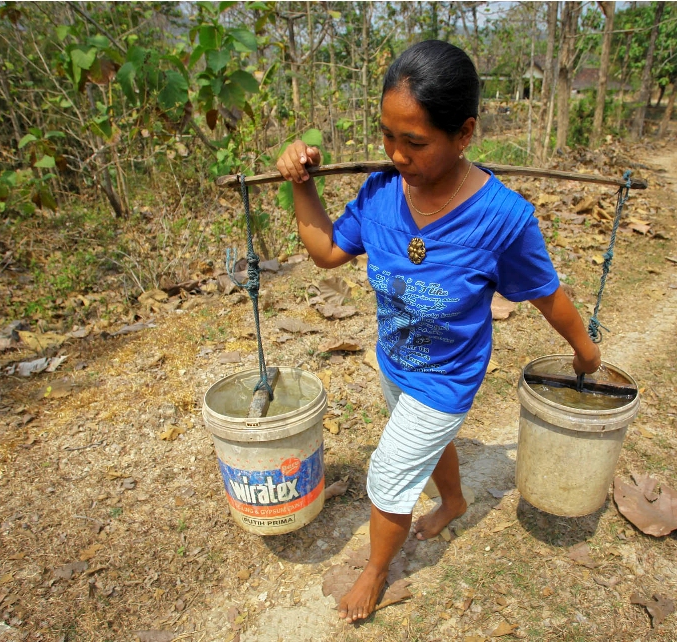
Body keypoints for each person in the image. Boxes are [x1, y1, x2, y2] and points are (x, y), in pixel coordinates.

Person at [275, 40, 601, 623]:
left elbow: (547, 294)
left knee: (390, 471)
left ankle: (375, 570)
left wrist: (584, 349)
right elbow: (325, 251)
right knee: (424, 443)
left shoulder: (503, 218)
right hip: (395, 362)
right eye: (387, 136)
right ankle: (453, 500)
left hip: (448, 378)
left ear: (465, 132)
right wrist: (302, 184)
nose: (397, 155)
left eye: (416, 142)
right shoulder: (379, 195)